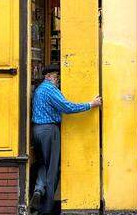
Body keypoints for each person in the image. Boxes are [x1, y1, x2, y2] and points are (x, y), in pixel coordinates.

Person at [30, 64, 102, 215]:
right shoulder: (50, 89)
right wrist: (91, 104)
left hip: (36, 130)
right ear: (48, 77)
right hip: (49, 130)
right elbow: (67, 107)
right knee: (53, 170)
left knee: (43, 164)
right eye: (56, 77)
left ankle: (38, 191)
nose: (57, 80)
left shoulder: (39, 89)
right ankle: (47, 208)